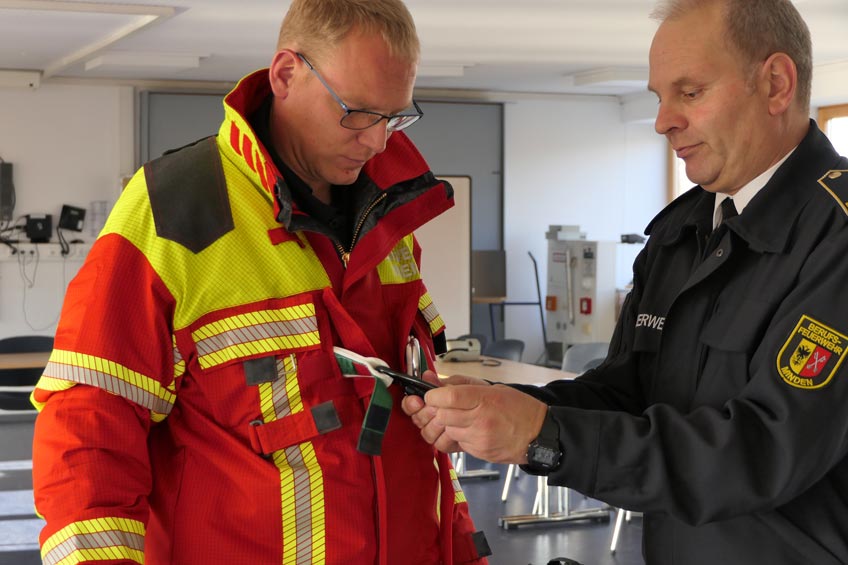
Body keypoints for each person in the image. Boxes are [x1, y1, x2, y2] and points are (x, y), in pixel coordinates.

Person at [30, 1, 490, 564]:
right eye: (357, 112)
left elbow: (417, 441)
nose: (377, 142)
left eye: (394, 118)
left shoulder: (388, 215)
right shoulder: (176, 210)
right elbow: (89, 433)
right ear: (286, 75)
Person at [404, 0, 848, 563]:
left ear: (776, 84)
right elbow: (624, 393)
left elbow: (763, 450)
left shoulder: (834, 236)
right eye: (659, 98)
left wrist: (545, 435)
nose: (663, 121)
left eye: (690, 92)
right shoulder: (681, 233)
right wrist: (506, 409)